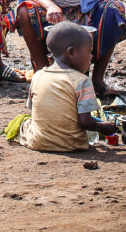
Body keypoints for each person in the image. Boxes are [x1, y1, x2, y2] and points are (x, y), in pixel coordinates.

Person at [18, 22, 118, 152]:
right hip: (73, 145)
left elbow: (33, 109)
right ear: (71, 52)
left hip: (38, 143)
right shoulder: (82, 81)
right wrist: (102, 127)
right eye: (89, 51)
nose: (91, 57)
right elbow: (85, 122)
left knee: (24, 124)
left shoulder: (38, 76)